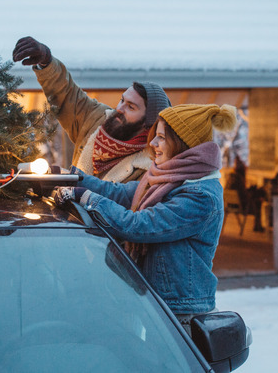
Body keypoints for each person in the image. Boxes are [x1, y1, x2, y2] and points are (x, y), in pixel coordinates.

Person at [53, 103, 238, 331]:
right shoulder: (167, 177)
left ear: (182, 143)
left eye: (161, 137)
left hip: (182, 314)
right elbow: (120, 193)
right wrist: (71, 177)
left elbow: (139, 226)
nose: (153, 144)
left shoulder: (199, 195)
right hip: (158, 303)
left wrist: (86, 197)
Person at [12, 36, 171, 183]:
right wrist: (46, 61)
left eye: (131, 106)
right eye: (122, 100)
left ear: (148, 123)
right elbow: (67, 95)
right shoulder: (98, 118)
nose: (120, 108)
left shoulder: (151, 167)